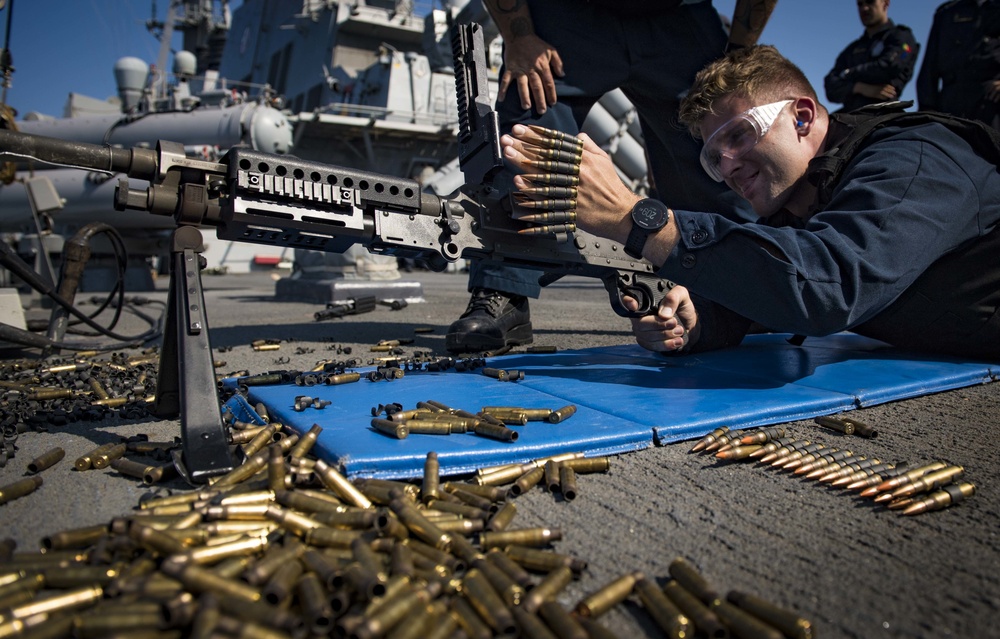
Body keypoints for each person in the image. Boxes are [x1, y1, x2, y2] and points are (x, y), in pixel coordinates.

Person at [501, 45, 1000, 359]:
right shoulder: (803, 199)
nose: (729, 166)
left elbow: (831, 286)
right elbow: (775, 288)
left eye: (740, 136)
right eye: (713, 159)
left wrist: (638, 220)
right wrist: (697, 321)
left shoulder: (912, 159)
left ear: (802, 117)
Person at [444, 0, 777, 353]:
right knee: (528, 121)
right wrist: (519, 35)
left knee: (718, 143)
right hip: (570, 16)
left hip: (680, 17)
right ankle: (503, 288)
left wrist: (737, 50)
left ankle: (750, 291)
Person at [823, 0, 919, 113]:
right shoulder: (852, 49)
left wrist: (847, 74)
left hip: (884, 115)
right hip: (849, 115)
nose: (864, 8)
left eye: (870, 2)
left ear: (886, 3)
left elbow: (890, 66)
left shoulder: (901, 37)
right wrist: (858, 87)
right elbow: (830, 86)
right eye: (860, 4)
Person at [917, 0, 1000, 126]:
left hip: (991, 102)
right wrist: (926, 107)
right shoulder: (947, 12)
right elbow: (930, 63)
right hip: (951, 104)